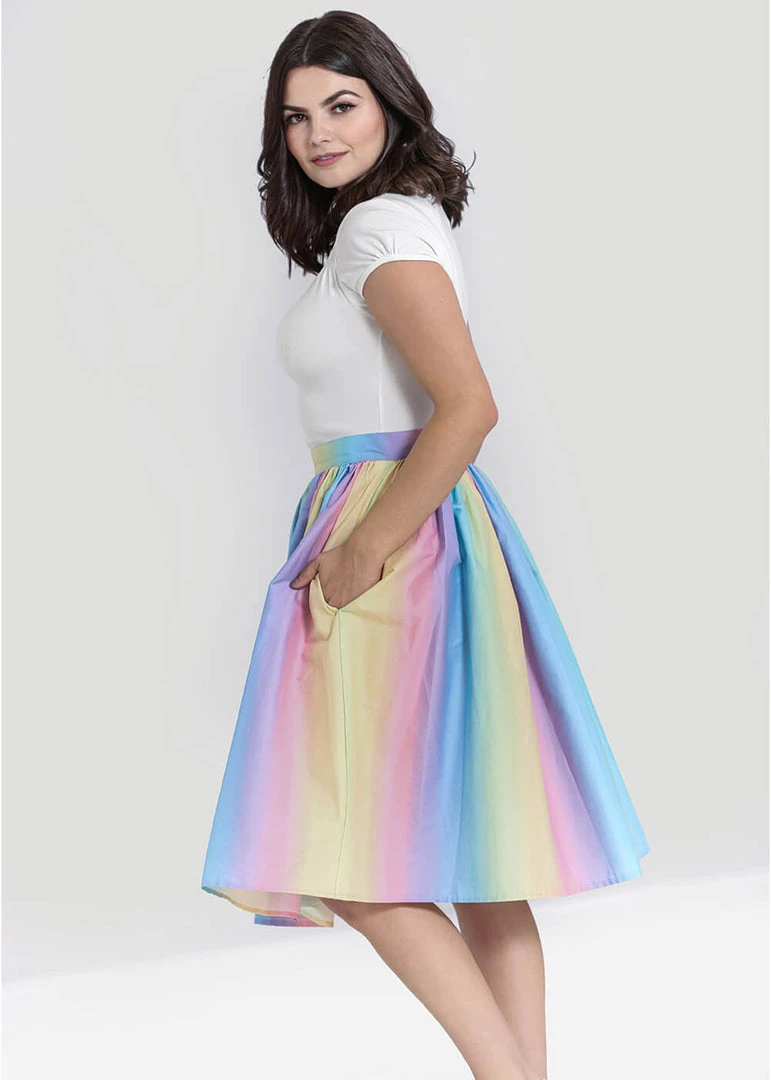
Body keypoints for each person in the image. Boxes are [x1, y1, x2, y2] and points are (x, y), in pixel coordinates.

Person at [201, 12, 649, 1080]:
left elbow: (468, 404)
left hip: (395, 535)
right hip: (425, 531)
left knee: (351, 851)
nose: (317, 133)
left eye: (340, 105)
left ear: (391, 106)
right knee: (473, 853)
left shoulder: (378, 230)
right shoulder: (391, 223)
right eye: (295, 117)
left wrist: (360, 552)